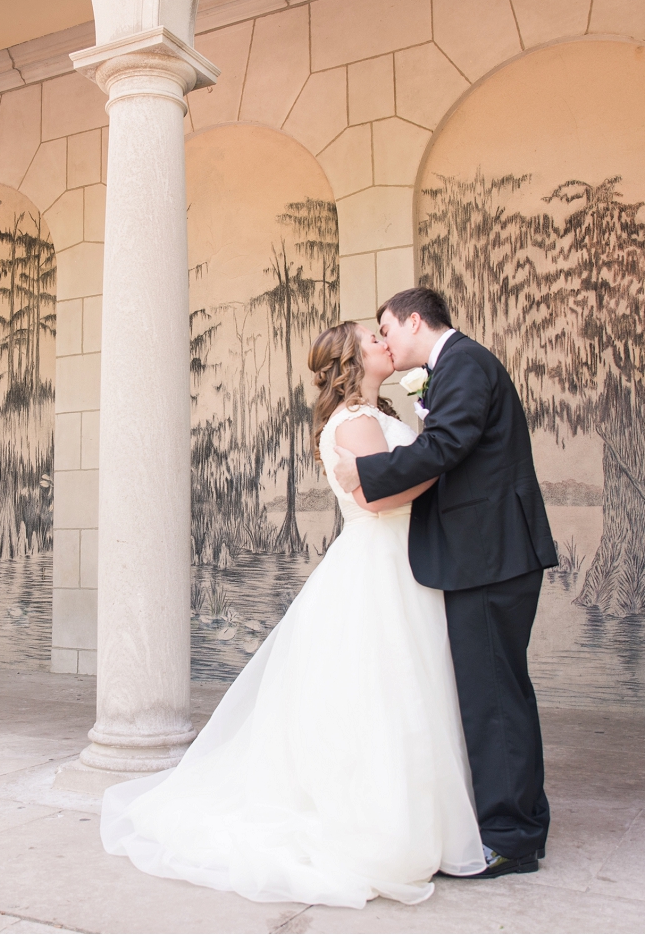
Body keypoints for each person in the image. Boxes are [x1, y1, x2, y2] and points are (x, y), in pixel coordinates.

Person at [99, 320, 487, 908]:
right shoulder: (355, 422)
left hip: (405, 562)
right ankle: (380, 825)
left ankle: (423, 819)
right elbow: (378, 497)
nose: (385, 341)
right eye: (372, 337)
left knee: (410, 692)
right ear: (353, 358)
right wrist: (445, 461)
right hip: (378, 562)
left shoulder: (379, 413)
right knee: (383, 694)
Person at [330, 286, 556, 877]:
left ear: (413, 322)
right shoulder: (456, 366)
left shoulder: (462, 364)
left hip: (490, 556)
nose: (385, 341)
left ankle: (510, 837)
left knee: (494, 701)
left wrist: (366, 471)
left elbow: (448, 445)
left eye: (388, 329)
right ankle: (521, 821)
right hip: (484, 554)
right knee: (495, 695)